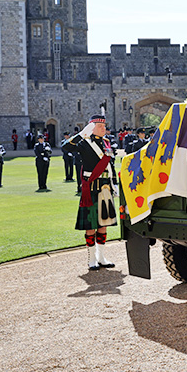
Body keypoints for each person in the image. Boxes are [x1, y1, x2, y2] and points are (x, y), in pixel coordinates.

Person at [66, 114, 117, 270]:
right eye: (100, 126)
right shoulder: (84, 143)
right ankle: (91, 259)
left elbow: (110, 165)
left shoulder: (107, 142)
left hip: (105, 187)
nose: (104, 128)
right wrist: (81, 133)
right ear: (92, 127)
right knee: (91, 225)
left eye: (104, 126)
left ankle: (101, 257)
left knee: (104, 224)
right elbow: (65, 147)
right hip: (92, 186)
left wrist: (114, 183)